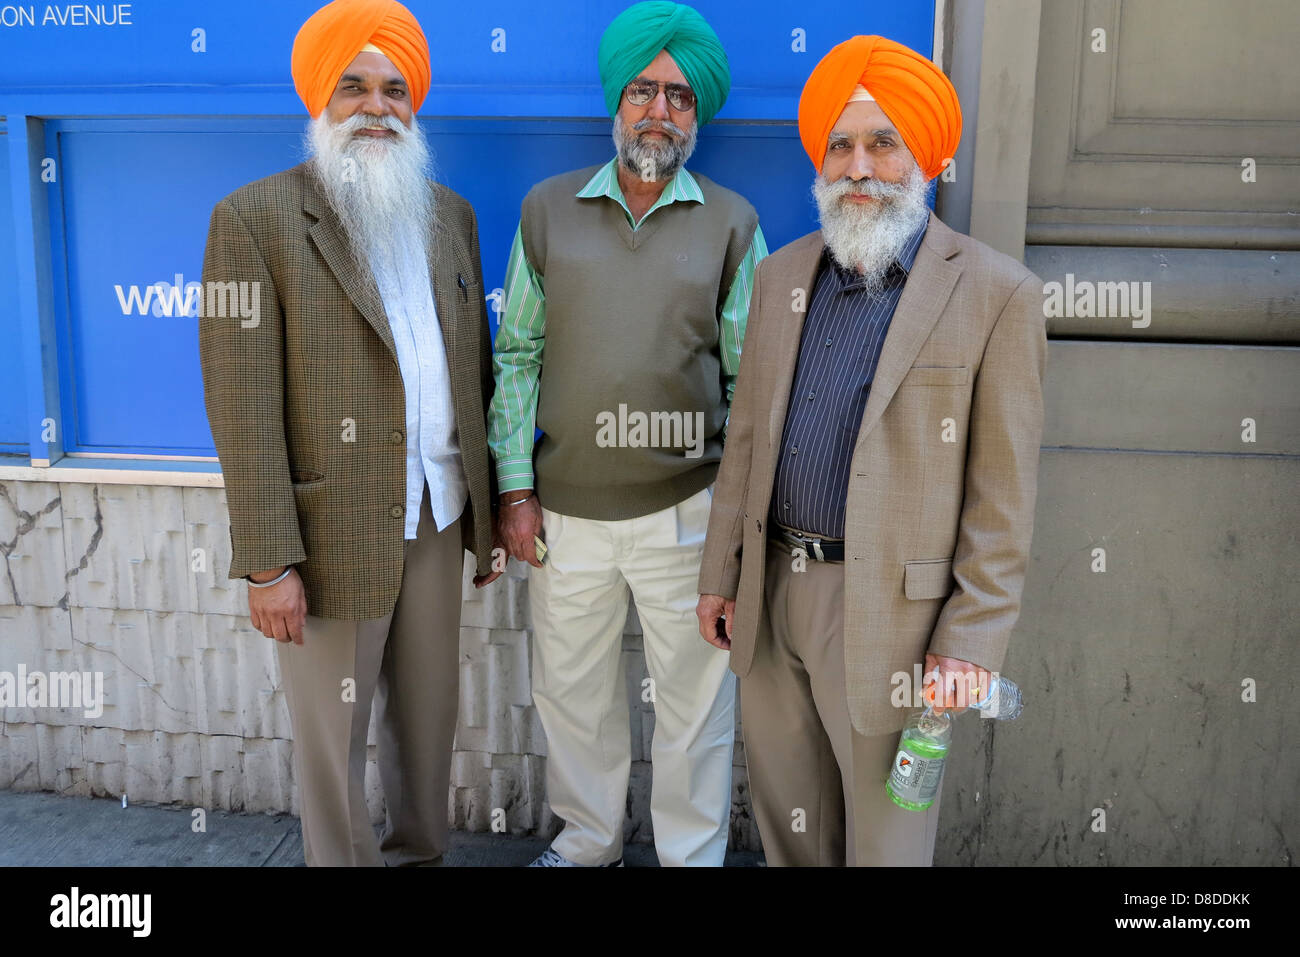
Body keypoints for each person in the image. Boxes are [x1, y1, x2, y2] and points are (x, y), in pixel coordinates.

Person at [696, 34, 1046, 866]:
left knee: (885, 847)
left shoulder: (998, 293)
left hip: (895, 616)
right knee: (790, 831)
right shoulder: (782, 274)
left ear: (920, 155)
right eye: (841, 145)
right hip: (774, 589)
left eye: (882, 143)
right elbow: (745, 442)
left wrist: (969, 638)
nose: (859, 165)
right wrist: (722, 574)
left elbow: (1003, 497)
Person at [197, 0, 498, 867]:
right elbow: (241, 404)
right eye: (354, 86)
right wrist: (267, 560)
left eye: (395, 88)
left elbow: (469, 371)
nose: (378, 106)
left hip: (437, 518)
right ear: (318, 101)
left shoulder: (453, 216)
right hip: (325, 535)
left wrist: (484, 515)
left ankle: (418, 855)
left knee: (428, 719)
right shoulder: (254, 220)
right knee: (334, 736)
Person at [488, 1, 767, 867]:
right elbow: (518, 354)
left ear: (697, 114)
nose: (659, 111)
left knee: (694, 704)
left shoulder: (733, 223)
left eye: (680, 98)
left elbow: (750, 385)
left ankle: (692, 855)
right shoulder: (547, 211)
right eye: (643, 90)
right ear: (617, 100)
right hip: (562, 517)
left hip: (687, 514)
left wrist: (734, 525)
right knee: (573, 693)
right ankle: (587, 844)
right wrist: (513, 489)